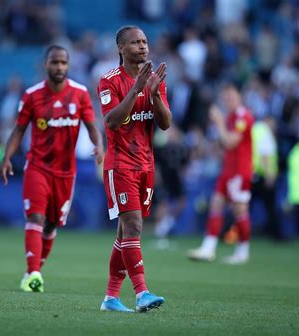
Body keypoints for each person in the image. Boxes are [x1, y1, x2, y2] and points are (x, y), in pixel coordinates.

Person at [1, 45, 104, 293]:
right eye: (54, 62)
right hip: (38, 166)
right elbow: (19, 130)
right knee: (36, 216)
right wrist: (7, 157)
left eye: (63, 63)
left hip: (66, 172)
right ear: (45, 64)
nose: (59, 67)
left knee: (51, 225)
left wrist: (99, 145)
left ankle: (32, 272)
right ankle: (34, 273)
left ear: (68, 65)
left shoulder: (79, 94)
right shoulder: (32, 95)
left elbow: (91, 126)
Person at [97, 25, 171, 313]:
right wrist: (137, 89)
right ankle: (141, 293)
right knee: (134, 227)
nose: (142, 46)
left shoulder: (155, 81)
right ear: (121, 48)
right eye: (135, 42)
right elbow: (112, 122)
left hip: (146, 165)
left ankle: (110, 298)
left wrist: (153, 95)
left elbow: (165, 123)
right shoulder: (108, 81)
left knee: (123, 234)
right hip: (120, 166)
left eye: (145, 41)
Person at [188, 83, 254, 265]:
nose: (228, 100)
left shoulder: (243, 116)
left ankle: (242, 251)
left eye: (231, 96)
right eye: (225, 98)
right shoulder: (231, 117)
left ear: (239, 97)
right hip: (228, 170)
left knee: (240, 209)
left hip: (240, 171)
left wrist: (218, 122)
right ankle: (208, 248)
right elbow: (224, 145)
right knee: (216, 204)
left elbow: (231, 142)